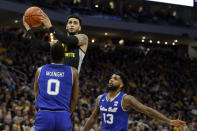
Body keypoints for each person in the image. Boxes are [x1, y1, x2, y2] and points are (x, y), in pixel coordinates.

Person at [82, 71, 186, 131]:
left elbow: (147, 110)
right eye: (111, 78)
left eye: (115, 78)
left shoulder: (126, 99)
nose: (111, 80)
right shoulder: (100, 98)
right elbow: (92, 119)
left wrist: (168, 121)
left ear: (121, 85)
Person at [33, 43, 79, 131]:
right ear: (64, 56)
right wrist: (68, 113)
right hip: (63, 114)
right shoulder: (73, 72)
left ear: (50, 55)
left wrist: (40, 108)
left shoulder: (40, 70)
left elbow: (36, 93)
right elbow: (74, 98)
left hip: (44, 113)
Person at [23, 14, 88, 72]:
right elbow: (38, 46)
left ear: (79, 28)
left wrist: (50, 27)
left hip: (71, 81)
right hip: (56, 80)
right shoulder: (57, 42)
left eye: (75, 23)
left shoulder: (83, 38)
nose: (72, 25)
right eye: (70, 22)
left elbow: (68, 40)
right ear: (66, 26)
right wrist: (29, 29)